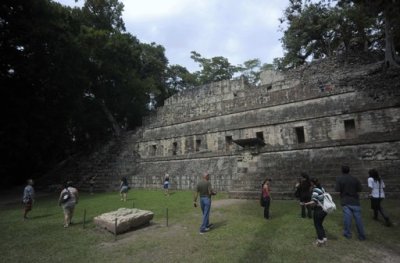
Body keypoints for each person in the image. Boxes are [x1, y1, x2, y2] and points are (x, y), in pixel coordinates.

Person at [335, 165, 366, 240]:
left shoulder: (340, 179)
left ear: (342, 171)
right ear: (349, 170)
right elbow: (360, 189)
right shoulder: (355, 179)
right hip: (355, 201)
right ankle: (362, 235)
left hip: (346, 200)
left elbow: (337, 189)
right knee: (358, 219)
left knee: (347, 218)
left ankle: (347, 234)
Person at [302, 178, 328, 246]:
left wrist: (305, 204)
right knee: (320, 224)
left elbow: (314, 201)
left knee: (317, 225)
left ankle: (320, 241)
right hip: (324, 209)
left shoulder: (315, 190)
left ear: (312, 183)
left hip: (318, 210)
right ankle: (324, 238)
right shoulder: (322, 188)